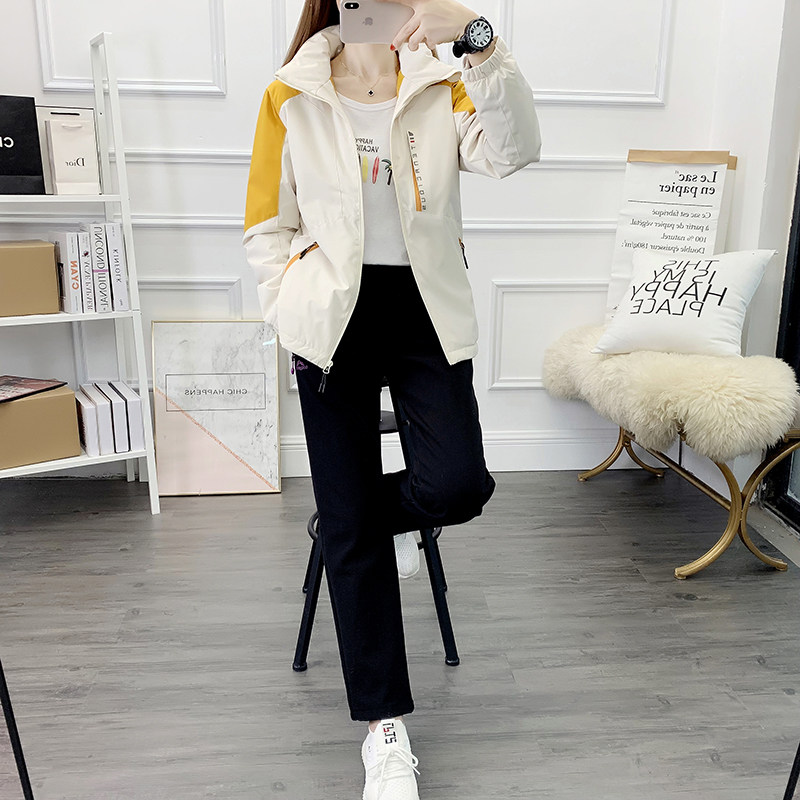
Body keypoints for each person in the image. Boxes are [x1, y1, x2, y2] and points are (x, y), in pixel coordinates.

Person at [243, 1, 541, 796]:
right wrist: (290, 304)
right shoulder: (291, 92)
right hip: (330, 317)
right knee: (353, 524)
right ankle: (383, 730)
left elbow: (516, 150)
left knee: (457, 485)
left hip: (424, 309)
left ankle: (357, 522)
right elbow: (265, 224)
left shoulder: (444, 81)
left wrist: (476, 34)